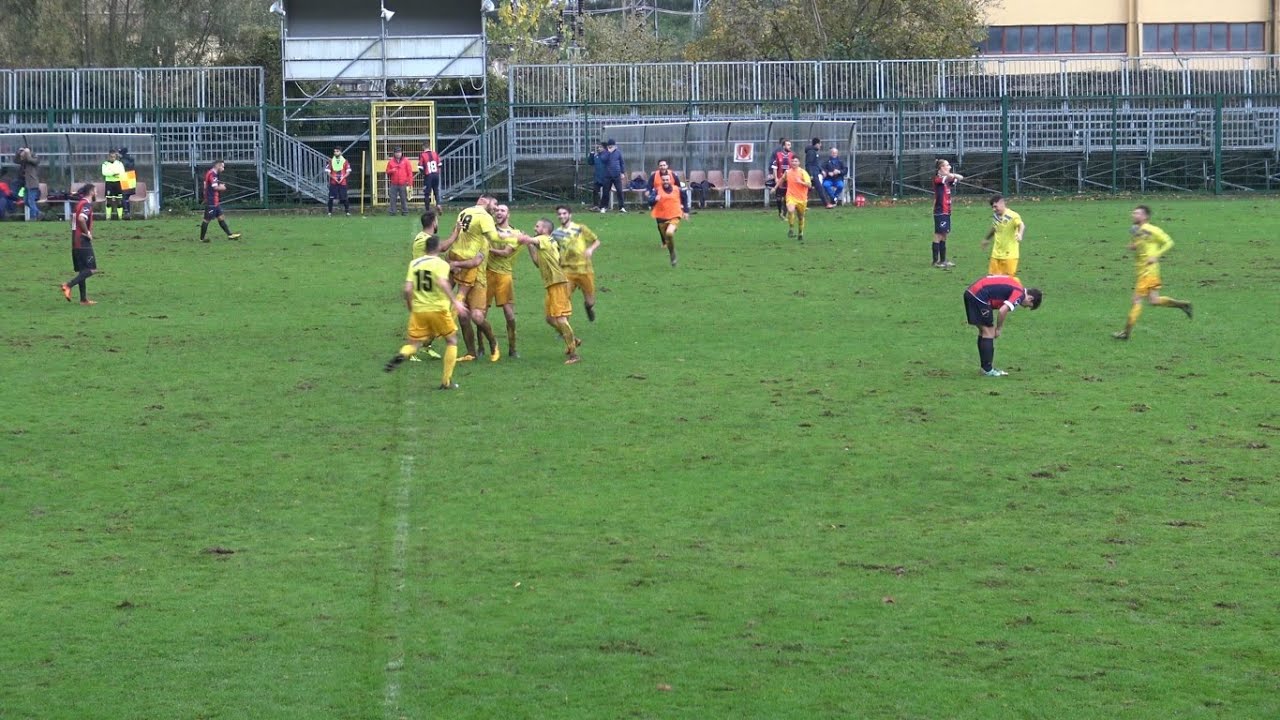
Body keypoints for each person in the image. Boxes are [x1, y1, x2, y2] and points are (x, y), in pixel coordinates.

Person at [383, 234, 470, 390]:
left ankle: (403, 354)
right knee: (451, 341)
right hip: (438, 309)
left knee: (414, 344)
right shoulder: (442, 264)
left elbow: (407, 289)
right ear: (437, 247)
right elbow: (443, 283)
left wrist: (411, 307)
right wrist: (455, 301)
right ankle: (446, 381)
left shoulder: (414, 264)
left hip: (419, 310)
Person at [1113, 205, 1193, 340]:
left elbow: (1169, 242)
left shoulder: (1153, 230)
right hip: (1145, 270)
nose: (1133, 215)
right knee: (1154, 300)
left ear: (1145, 216)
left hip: (1147, 271)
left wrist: (1156, 255)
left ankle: (1126, 333)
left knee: (1136, 300)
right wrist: (1133, 246)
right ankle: (1183, 304)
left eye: (1137, 213)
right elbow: (1138, 245)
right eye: (1133, 213)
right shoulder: (1137, 231)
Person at [440, 195, 500, 362]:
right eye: (494, 205)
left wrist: (453, 263)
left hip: (478, 278)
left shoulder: (482, 238)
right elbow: (456, 241)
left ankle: (494, 344)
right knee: (463, 317)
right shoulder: (475, 226)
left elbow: (476, 262)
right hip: (463, 273)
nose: (495, 209)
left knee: (477, 317)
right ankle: (471, 353)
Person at [518, 218, 582, 364]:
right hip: (551, 284)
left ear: (545, 229)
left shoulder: (545, 239)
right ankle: (573, 340)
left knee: (560, 319)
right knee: (550, 319)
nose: (535, 228)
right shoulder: (545, 243)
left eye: (537, 226)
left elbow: (528, 239)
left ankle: (574, 355)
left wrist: (516, 236)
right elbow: (537, 262)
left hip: (558, 283)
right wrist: (528, 244)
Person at [963, 274, 1043, 377]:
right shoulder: (1020, 294)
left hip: (971, 292)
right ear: (1030, 298)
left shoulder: (1016, 285)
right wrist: (999, 328)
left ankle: (985, 368)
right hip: (979, 296)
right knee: (989, 332)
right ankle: (987, 369)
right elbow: (1002, 310)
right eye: (1028, 306)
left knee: (984, 331)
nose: (1025, 307)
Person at [552, 205, 600, 321]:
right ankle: (564, 328)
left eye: (564, 213)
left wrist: (590, 249)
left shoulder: (580, 228)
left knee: (590, 301)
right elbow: (555, 250)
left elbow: (596, 241)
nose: (562, 216)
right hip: (567, 271)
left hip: (585, 269)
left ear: (570, 215)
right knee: (564, 300)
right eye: (559, 214)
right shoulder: (556, 234)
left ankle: (588, 307)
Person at [487, 204, 522, 358]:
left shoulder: (515, 233)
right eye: (497, 210)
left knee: (509, 315)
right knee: (480, 314)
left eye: (503, 210)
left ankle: (512, 347)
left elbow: (505, 253)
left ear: (508, 215)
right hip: (487, 274)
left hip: (504, 276)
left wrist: (487, 249)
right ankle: (483, 346)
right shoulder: (488, 230)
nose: (499, 212)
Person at [409, 210, 443, 361]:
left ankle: (426, 346)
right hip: (422, 285)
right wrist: (456, 233)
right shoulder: (424, 240)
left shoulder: (424, 237)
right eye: (437, 220)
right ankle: (412, 352)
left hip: (429, 284)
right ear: (434, 223)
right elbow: (442, 248)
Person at [60, 184, 101, 305]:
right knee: (92, 269)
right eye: (96, 191)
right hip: (82, 241)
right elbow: (82, 219)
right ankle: (68, 285)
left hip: (75, 241)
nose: (97, 194)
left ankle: (83, 299)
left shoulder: (77, 204)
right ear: (91, 192)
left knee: (83, 270)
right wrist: (87, 232)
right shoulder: (86, 205)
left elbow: (72, 222)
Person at [649, 159, 689, 267]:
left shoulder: (677, 189)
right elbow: (650, 200)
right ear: (661, 180)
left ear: (670, 179)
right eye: (664, 180)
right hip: (661, 217)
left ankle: (672, 250)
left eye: (667, 179)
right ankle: (672, 254)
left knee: (669, 233)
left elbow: (684, 198)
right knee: (667, 237)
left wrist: (685, 210)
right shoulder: (656, 190)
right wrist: (654, 199)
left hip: (674, 214)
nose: (666, 181)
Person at [981, 195, 1024, 277]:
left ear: (1002, 203)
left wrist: (1020, 234)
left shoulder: (1013, 215)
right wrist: (986, 239)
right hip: (995, 255)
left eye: (995, 206)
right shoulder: (996, 216)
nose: (994, 209)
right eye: (992, 207)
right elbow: (995, 228)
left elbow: (1021, 225)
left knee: (1008, 282)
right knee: (992, 280)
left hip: (1009, 256)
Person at [200, 160, 242, 242]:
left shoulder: (210, 172)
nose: (223, 168)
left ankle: (230, 235)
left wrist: (205, 195)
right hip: (211, 201)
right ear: (218, 166)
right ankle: (202, 239)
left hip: (214, 201)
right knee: (206, 219)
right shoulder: (213, 174)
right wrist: (222, 187)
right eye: (222, 167)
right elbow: (215, 187)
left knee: (221, 217)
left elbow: (205, 185)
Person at [932, 159, 962, 268]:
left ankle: (943, 260)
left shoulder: (947, 180)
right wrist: (949, 175)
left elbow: (960, 177)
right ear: (941, 168)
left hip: (947, 211)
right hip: (940, 211)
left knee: (944, 235)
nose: (949, 166)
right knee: (938, 234)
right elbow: (945, 178)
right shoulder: (938, 179)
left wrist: (950, 174)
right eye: (947, 165)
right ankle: (935, 261)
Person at [784, 159, 812, 241]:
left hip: (801, 199)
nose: (794, 163)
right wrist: (775, 187)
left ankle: (800, 233)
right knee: (790, 209)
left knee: (800, 217)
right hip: (791, 196)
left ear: (799, 163)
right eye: (792, 161)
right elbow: (782, 178)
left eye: (796, 161)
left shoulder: (803, 172)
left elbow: (809, 185)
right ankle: (791, 228)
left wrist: (801, 182)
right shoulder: (788, 172)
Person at [769, 138, 794, 220]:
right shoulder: (778, 155)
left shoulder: (792, 155)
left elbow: (794, 167)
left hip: (789, 180)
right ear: (783, 146)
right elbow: (775, 167)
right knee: (779, 197)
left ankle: (784, 213)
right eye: (788, 145)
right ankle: (780, 212)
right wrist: (776, 177)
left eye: (790, 145)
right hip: (780, 179)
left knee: (787, 197)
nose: (789, 146)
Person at [804, 137, 832, 207]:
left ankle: (802, 204)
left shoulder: (814, 152)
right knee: (820, 188)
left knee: (807, 189)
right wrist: (810, 175)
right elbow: (809, 164)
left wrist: (821, 170)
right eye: (820, 143)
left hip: (815, 173)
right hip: (813, 174)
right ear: (816, 144)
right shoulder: (811, 152)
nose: (820, 145)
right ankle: (826, 204)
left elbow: (816, 164)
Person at [600, 139, 626, 213]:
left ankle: (621, 207)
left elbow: (622, 163)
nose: (612, 147)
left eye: (613, 146)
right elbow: (603, 160)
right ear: (608, 146)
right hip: (607, 175)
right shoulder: (605, 152)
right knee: (605, 192)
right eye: (610, 146)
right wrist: (609, 152)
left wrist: (622, 172)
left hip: (617, 175)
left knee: (619, 191)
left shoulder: (618, 153)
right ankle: (603, 207)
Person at [386, 147, 413, 216]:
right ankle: (392, 211)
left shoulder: (406, 161)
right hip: (394, 183)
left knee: (403, 198)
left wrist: (410, 183)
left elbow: (409, 172)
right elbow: (387, 171)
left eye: (399, 152)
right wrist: (392, 170)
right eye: (397, 152)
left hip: (403, 183)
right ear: (394, 153)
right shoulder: (391, 161)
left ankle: (405, 211)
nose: (398, 154)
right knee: (392, 198)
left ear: (401, 153)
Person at [16, 147, 40, 221]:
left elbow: (33, 161)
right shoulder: (24, 161)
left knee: (31, 201)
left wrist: (28, 153)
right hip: (26, 185)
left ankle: (33, 217)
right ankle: (39, 213)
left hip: (33, 184)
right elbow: (16, 160)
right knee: (26, 201)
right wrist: (18, 152)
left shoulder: (34, 158)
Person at [101, 150, 126, 220]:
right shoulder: (105, 164)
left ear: (116, 157)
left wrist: (117, 174)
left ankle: (120, 217)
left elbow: (122, 172)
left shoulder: (119, 163)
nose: (113, 158)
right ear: (108, 156)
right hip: (109, 183)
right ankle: (108, 217)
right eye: (111, 157)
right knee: (109, 200)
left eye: (114, 157)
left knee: (119, 200)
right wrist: (112, 174)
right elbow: (104, 172)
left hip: (118, 182)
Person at [418, 143, 442, 211]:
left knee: (426, 193)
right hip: (436, 174)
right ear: (429, 147)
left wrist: (423, 174)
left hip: (428, 176)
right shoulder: (435, 154)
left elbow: (420, 167)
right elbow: (440, 165)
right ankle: (438, 204)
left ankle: (427, 209)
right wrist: (437, 172)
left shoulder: (422, 155)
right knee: (436, 190)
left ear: (423, 147)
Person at [328, 147, 351, 216]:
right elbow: (328, 172)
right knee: (331, 198)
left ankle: (347, 212)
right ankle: (329, 212)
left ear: (340, 152)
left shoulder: (345, 161)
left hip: (342, 182)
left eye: (337, 151)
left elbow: (348, 172)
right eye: (334, 151)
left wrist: (343, 177)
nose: (335, 153)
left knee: (344, 198)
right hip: (333, 182)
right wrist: (334, 178)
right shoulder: (331, 161)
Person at [118, 147, 138, 219]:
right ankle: (128, 213)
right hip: (131, 178)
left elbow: (121, 170)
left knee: (124, 196)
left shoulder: (122, 161)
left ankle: (126, 212)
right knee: (127, 196)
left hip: (124, 178)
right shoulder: (131, 159)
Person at [588, 142, 608, 210]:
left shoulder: (607, 155)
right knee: (595, 191)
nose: (599, 148)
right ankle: (596, 205)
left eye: (600, 147)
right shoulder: (596, 156)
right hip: (597, 178)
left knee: (605, 193)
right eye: (598, 147)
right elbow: (590, 162)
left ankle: (604, 206)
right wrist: (591, 154)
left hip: (606, 177)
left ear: (605, 148)